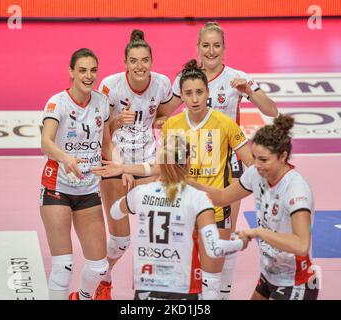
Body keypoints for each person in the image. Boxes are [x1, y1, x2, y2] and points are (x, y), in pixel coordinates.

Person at [93, 59, 254, 299]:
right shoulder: (173, 126)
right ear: (183, 96)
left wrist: (233, 193)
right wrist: (125, 168)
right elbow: (163, 168)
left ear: (208, 92)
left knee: (212, 283)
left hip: (215, 211)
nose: (195, 98)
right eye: (188, 93)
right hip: (182, 212)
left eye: (199, 92)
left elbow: (251, 164)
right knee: (180, 282)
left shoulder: (226, 124)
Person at [157, 21, 278, 299]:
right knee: (187, 229)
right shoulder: (187, 78)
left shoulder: (236, 77)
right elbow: (163, 111)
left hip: (227, 162)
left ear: (224, 48)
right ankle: (188, 289)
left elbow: (272, 110)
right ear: (198, 47)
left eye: (216, 45)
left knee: (224, 232)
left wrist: (248, 90)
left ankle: (220, 293)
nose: (211, 50)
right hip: (189, 163)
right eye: (206, 45)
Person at [188, 114, 319, 300]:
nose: (256, 165)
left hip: (296, 281)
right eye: (255, 158)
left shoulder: (296, 191)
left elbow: (301, 245)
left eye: (264, 160)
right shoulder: (255, 174)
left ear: (283, 156)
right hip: (269, 274)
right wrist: (184, 182)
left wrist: (258, 233)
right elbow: (222, 197)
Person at [110, 134, 248, 300]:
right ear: (188, 162)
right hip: (183, 286)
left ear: (159, 163)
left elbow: (114, 212)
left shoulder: (140, 194)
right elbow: (214, 249)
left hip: (147, 284)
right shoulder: (198, 198)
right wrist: (241, 242)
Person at [94, 29, 177, 299]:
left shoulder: (162, 84)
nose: (139, 66)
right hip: (114, 161)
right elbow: (102, 130)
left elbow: (162, 115)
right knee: (120, 241)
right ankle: (103, 279)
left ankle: (148, 290)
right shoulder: (110, 86)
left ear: (151, 62)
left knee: (152, 236)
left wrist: (163, 124)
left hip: (146, 162)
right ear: (125, 63)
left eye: (144, 60)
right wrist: (119, 164)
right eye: (133, 61)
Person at [40, 48, 114, 300]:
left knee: (99, 267)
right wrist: (66, 158)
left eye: (93, 70)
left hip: (88, 190)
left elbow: (106, 145)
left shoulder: (102, 103)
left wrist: (122, 167)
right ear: (71, 72)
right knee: (63, 267)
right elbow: (46, 142)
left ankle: (81, 297)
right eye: (82, 70)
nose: (88, 75)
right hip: (56, 188)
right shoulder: (57, 102)